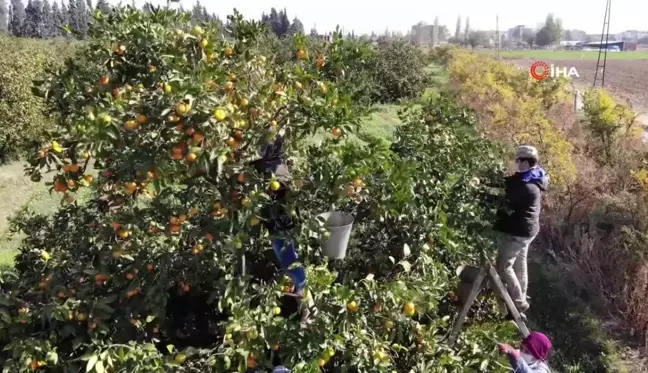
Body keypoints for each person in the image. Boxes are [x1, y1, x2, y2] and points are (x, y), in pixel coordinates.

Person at [251, 130, 311, 321]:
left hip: (275, 188)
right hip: (274, 187)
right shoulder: (271, 124)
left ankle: (305, 297)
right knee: (285, 249)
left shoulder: (266, 127)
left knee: (284, 251)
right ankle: (302, 293)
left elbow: (256, 154)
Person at [494, 145, 549, 314]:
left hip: (520, 231)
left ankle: (518, 302)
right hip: (528, 229)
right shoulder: (534, 177)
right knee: (519, 264)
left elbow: (505, 195)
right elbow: (510, 182)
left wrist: (477, 193)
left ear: (525, 162)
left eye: (518, 161)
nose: (516, 164)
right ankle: (521, 298)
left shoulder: (526, 185)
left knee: (503, 265)